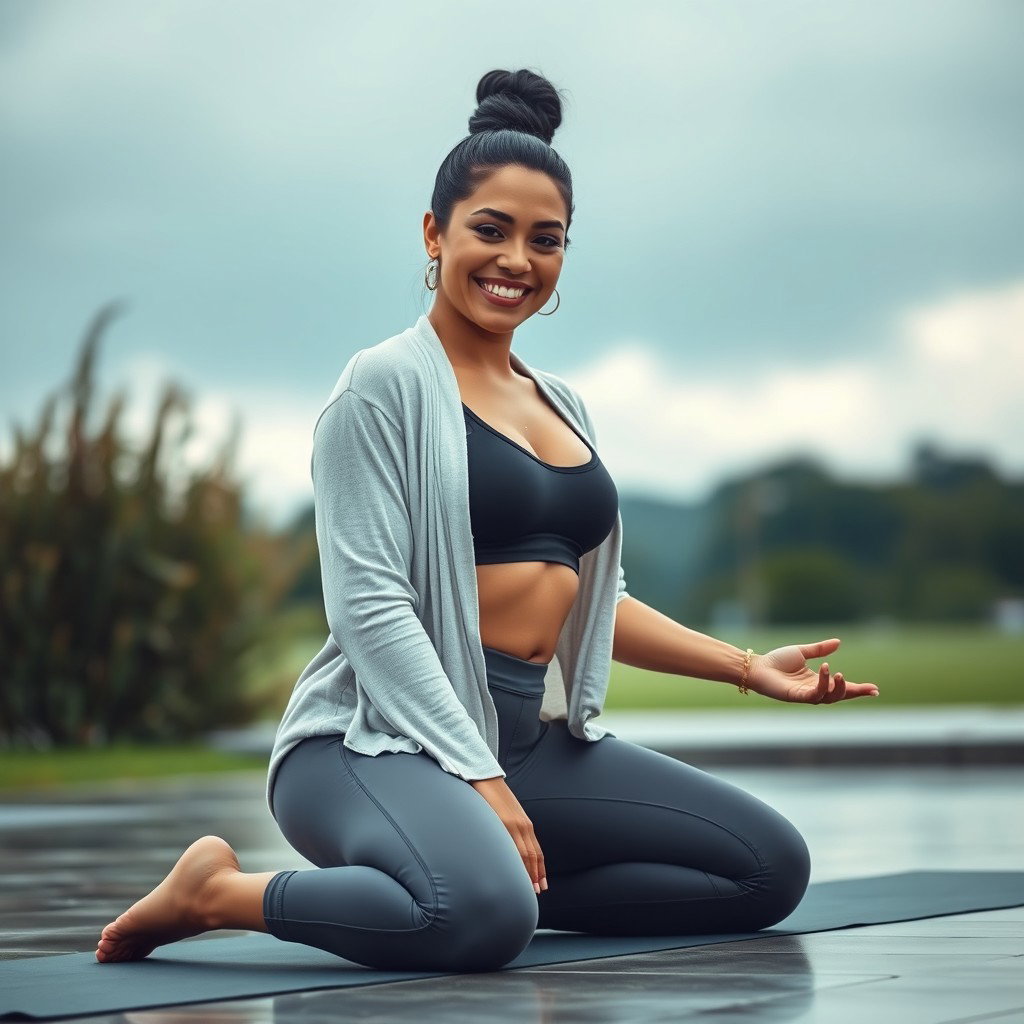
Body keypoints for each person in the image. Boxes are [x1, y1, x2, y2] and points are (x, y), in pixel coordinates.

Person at [94, 67, 880, 973]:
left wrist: (747, 668)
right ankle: (218, 892)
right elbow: (370, 607)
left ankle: (473, 882)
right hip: (373, 742)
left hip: (528, 743)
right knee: (477, 923)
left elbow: (594, 598)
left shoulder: (564, 403)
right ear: (434, 233)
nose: (517, 260)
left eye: (545, 240)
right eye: (490, 230)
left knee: (766, 872)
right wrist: (476, 775)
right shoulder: (380, 387)